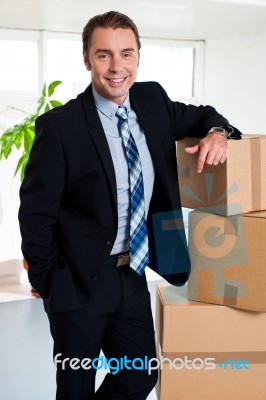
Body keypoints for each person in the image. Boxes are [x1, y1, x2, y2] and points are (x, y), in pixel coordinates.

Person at [18, 10, 241, 400]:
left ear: (138, 55)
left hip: (132, 275)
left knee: (140, 377)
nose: (116, 66)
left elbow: (206, 115)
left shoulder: (152, 101)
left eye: (126, 53)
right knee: (75, 388)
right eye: (103, 55)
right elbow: (35, 215)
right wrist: (51, 284)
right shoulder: (61, 126)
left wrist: (218, 134)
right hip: (78, 283)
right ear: (87, 59)